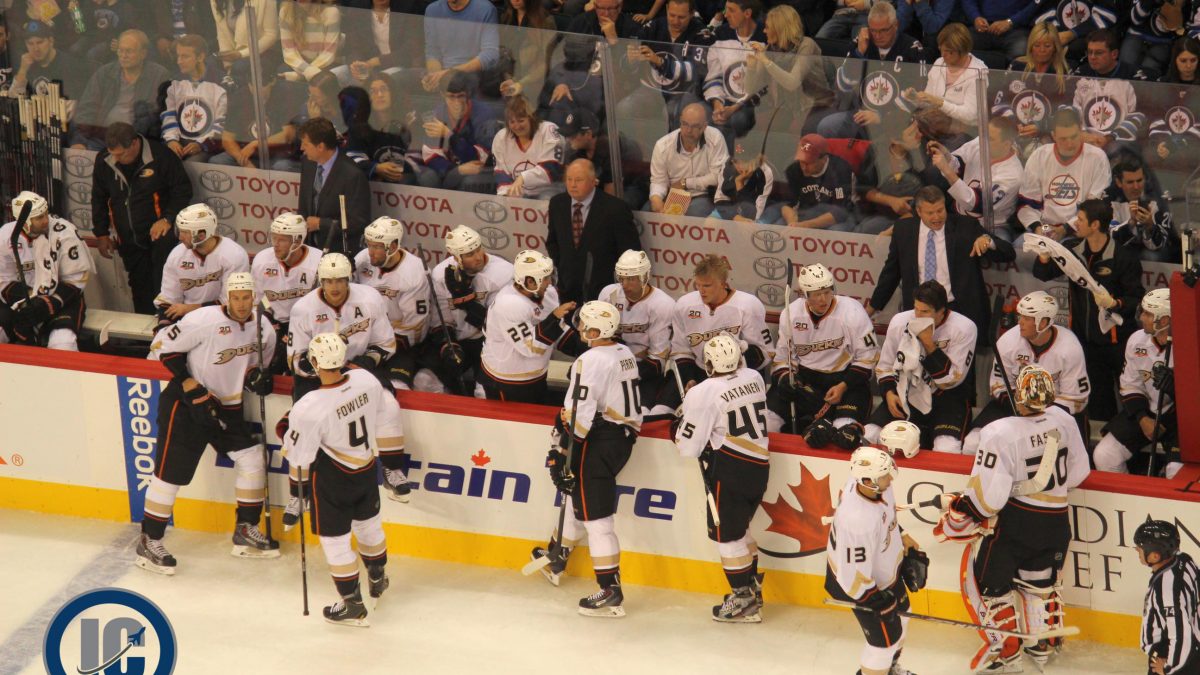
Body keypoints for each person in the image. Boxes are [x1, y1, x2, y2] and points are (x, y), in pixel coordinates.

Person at [936, 365, 1090, 672]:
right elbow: (1078, 473)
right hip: (1057, 522)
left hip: (1017, 523)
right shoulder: (1064, 419)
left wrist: (961, 508)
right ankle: (1040, 645)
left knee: (988, 586)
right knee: (1037, 585)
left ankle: (1006, 652)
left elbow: (988, 499)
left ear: (1018, 395)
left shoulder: (999, 431)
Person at [135, 273, 279, 575]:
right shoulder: (203, 320)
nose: (241, 304)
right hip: (187, 406)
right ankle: (150, 541)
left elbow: (257, 365)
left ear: (254, 297)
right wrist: (188, 382)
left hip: (228, 408)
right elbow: (164, 347)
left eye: (246, 297)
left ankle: (245, 529)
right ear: (227, 297)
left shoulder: (263, 327)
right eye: (236, 298)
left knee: (252, 458)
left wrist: (258, 378)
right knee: (169, 476)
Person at [281, 332, 404, 626]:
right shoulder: (366, 380)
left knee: (335, 542)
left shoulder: (309, 406)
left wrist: (285, 427)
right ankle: (378, 576)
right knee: (369, 527)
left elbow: (299, 457)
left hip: (332, 479)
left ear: (314, 362)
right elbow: (380, 414)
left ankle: (352, 604)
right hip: (365, 469)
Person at [531, 301, 642, 617]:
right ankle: (558, 555)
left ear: (597, 330)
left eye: (584, 324)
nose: (580, 328)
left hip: (599, 441)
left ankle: (610, 590)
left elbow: (578, 415)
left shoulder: (590, 359)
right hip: (621, 438)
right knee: (578, 496)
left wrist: (563, 451)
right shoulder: (623, 352)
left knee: (597, 519)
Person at [284, 252, 400, 526]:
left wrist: (364, 363)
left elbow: (386, 344)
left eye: (339, 280)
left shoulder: (370, 299)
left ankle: (393, 470)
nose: (334, 287)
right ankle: (298, 495)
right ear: (321, 281)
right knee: (301, 427)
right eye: (328, 281)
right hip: (316, 376)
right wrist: (324, 368)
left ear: (348, 279)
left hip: (358, 371)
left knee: (389, 405)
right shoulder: (303, 309)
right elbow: (294, 359)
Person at [673, 334, 769, 622]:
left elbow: (687, 446)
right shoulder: (754, 377)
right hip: (759, 467)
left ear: (709, 364)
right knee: (741, 530)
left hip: (730, 469)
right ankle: (752, 589)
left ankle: (742, 599)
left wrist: (679, 423)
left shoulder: (703, 392)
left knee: (727, 536)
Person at [1032, 199, 1145, 422]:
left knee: (1131, 400)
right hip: (1086, 343)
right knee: (1099, 405)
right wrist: (1044, 256)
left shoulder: (1123, 256)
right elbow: (1043, 274)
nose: (1076, 223)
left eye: (1081, 219)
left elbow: (1137, 299)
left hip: (1118, 343)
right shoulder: (1072, 250)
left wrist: (1115, 303)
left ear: (1095, 225)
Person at [867, 186, 1016, 342]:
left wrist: (988, 241)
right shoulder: (904, 230)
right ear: (919, 211)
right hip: (920, 312)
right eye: (930, 213)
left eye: (940, 210)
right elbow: (890, 274)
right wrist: (870, 310)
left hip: (959, 311)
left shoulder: (966, 227)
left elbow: (1008, 253)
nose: (937, 217)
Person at [824, 443, 925, 675]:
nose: (890, 478)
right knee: (883, 644)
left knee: (902, 619)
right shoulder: (857, 521)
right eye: (884, 475)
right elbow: (852, 576)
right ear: (867, 481)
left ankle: (889, 669)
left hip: (884, 574)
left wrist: (901, 535)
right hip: (862, 588)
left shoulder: (874, 486)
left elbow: (886, 514)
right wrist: (875, 601)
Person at [963, 291, 1089, 455]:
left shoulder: (1069, 348)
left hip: (1056, 412)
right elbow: (999, 386)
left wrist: (1036, 410)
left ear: (1043, 322)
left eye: (1027, 318)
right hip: (1015, 406)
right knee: (972, 442)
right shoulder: (1008, 341)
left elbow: (1076, 400)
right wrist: (1022, 406)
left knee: (1065, 454)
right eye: (1020, 316)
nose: (1020, 322)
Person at [768, 263, 878, 447]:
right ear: (804, 294)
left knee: (844, 433)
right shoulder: (790, 314)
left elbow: (868, 359)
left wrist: (843, 386)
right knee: (768, 423)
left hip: (845, 380)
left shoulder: (852, 312)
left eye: (827, 292)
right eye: (817, 294)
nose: (823, 299)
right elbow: (782, 359)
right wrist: (786, 378)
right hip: (805, 379)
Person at [90, 122, 193, 315]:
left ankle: (165, 325)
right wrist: (101, 233)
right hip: (128, 238)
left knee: (164, 285)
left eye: (121, 154)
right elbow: (98, 197)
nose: (116, 159)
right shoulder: (104, 160)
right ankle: (142, 331)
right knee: (139, 288)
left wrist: (168, 219)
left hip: (160, 237)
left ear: (134, 143)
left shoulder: (161, 156)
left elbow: (182, 190)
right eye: (113, 154)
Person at [866, 280, 976, 454]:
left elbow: (950, 381)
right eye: (916, 309)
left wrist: (928, 343)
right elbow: (885, 366)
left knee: (946, 448)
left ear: (941, 312)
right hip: (905, 393)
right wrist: (889, 393)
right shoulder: (900, 321)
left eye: (925, 312)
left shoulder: (964, 328)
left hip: (947, 399)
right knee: (870, 434)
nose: (917, 316)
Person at [1094, 289, 1180, 477]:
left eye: (1148, 314)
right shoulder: (1136, 340)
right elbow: (1130, 385)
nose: (1141, 317)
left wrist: (1176, 389)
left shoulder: (1191, 345)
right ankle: (1124, 496)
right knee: (1105, 455)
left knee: (1176, 472)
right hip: (1146, 411)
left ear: (1164, 320)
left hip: (1180, 419)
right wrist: (1142, 418)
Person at [478, 249, 579, 403]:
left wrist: (583, 347)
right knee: (511, 419)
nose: (549, 283)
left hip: (536, 376)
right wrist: (554, 317)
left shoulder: (548, 293)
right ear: (530, 282)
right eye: (545, 278)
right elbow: (532, 348)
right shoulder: (509, 304)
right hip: (507, 382)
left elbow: (556, 330)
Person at [669, 255, 771, 405]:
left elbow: (764, 354)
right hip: (700, 373)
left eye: (707, 286)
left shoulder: (748, 305)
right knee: (662, 410)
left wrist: (728, 371)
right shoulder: (684, 306)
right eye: (698, 285)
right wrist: (690, 378)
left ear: (723, 284)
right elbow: (681, 351)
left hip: (738, 376)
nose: (701, 291)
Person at [0, 191, 93, 351]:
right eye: (39, 217)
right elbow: (3, 279)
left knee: (63, 344)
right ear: (25, 221)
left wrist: (48, 303)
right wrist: (30, 299)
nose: (45, 221)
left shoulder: (64, 232)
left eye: (45, 214)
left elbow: (77, 278)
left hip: (61, 300)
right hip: (22, 300)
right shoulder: (5, 237)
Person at [821, 3, 928, 141]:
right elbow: (843, 86)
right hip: (861, 115)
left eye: (883, 30)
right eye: (873, 30)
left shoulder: (912, 48)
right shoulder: (861, 43)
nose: (877, 36)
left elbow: (917, 93)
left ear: (896, 25)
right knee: (826, 126)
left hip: (896, 119)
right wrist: (859, 53)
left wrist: (881, 115)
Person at [428, 224, 514, 395]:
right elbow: (441, 320)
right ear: (455, 256)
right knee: (425, 381)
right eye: (469, 254)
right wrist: (449, 345)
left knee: (483, 394)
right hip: (459, 340)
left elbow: (495, 325)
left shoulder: (504, 272)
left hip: (491, 342)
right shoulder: (440, 274)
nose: (478, 257)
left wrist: (466, 299)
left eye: (478, 249)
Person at [352, 216, 433, 392]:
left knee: (397, 387)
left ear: (394, 246)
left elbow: (414, 329)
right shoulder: (363, 259)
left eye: (377, 247)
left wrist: (377, 351)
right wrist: (346, 274)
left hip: (400, 343)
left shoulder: (414, 274)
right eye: (369, 245)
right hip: (364, 333)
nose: (370, 252)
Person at [547, 159, 642, 304]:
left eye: (578, 180)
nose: (572, 185)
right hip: (568, 289)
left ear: (594, 181)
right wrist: (564, 266)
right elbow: (553, 241)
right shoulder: (557, 203)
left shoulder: (615, 208)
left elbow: (629, 251)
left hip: (604, 290)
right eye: (569, 179)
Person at [597, 249, 675, 416]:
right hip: (612, 366)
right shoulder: (609, 294)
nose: (624, 285)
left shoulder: (663, 305)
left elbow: (657, 361)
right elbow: (599, 339)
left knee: (642, 414)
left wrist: (624, 374)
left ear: (644, 277)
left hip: (645, 374)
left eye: (631, 279)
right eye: (621, 278)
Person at [1016, 107, 1112, 241]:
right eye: (1063, 139)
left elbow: (1095, 207)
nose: (1070, 144)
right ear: (1053, 135)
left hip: (1080, 233)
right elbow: (1027, 203)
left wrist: (1064, 229)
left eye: (1074, 137)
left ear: (1081, 130)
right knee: (1019, 247)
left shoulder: (1097, 158)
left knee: (1066, 250)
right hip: (1046, 229)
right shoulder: (1039, 156)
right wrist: (1038, 228)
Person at [152, 203, 250, 330]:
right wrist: (163, 327)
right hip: (188, 320)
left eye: (185, 232)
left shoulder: (234, 255)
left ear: (202, 234)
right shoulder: (177, 255)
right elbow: (169, 300)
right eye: (180, 231)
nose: (180, 237)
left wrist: (189, 309)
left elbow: (232, 304)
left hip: (224, 322)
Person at [69, 29, 170, 150]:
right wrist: (79, 141)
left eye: (129, 51)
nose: (123, 56)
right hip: (101, 138)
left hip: (136, 141)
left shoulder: (158, 75)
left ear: (143, 54)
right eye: (120, 50)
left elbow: (156, 116)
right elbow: (87, 109)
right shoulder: (104, 73)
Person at [743, 5, 834, 135]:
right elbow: (751, 90)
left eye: (767, 27)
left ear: (779, 29)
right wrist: (751, 67)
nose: (764, 31)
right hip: (791, 108)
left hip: (817, 105)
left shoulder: (806, 45)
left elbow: (792, 83)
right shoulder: (771, 49)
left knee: (797, 129)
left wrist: (766, 61)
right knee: (754, 123)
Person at [928, 115, 1023, 236]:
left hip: (991, 227)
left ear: (1006, 144)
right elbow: (959, 164)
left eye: (990, 139)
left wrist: (947, 170)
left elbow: (975, 204)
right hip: (959, 217)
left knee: (995, 245)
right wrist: (946, 155)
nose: (983, 141)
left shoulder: (1013, 175)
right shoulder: (979, 142)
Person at [250, 213, 320, 374]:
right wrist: (268, 318)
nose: (275, 244)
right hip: (275, 321)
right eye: (274, 238)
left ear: (297, 241)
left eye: (282, 240)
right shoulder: (262, 261)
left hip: (307, 324)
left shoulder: (318, 263)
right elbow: (258, 300)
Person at [416, 71, 502, 193]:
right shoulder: (438, 114)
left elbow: (481, 159)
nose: (457, 103)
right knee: (428, 178)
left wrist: (449, 136)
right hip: (456, 168)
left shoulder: (484, 115)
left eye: (460, 96)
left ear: (468, 95)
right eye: (451, 97)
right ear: (443, 95)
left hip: (485, 171)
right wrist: (455, 170)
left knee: (469, 182)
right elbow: (431, 155)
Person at [297, 116, 371, 255]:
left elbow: (358, 222)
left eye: (305, 144)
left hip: (338, 252)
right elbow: (304, 205)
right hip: (310, 249)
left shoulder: (353, 175)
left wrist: (321, 224)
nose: (301, 148)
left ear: (320, 146)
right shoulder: (308, 163)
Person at [1135, 518, 1200, 675]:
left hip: (1169, 653)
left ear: (1155, 556)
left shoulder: (1166, 589)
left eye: (1140, 548)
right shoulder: (1185, 560)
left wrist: (1169, 667)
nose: (1137, 550)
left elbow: (1180, 633)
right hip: (1192, 648)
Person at [702, 0, 766, 149]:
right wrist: (718, 104)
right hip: (723, 101)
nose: (726, 15)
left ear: (747, 13)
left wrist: (735, 108)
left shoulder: (765, 35)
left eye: (731, 10)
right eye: (726, 10)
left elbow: (763, 85)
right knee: (698, 113)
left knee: (737, 120)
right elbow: (714, 75)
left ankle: (730, 159)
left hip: (752, 105)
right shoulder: (721, 34)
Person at [1070, 29, 1145, 155]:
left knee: (1117, 152)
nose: (1092, 57)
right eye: (1090, 52)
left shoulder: (1133, 75)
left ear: (1114, 54)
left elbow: (1139, 115)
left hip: (1119, 142)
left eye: (1099, 53)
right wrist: (1080, 133)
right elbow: (1069, 109)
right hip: (1084, 139)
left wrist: (1109, 138)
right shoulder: (1081, 73)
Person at [648, 102, 728, 217]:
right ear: (680, 122)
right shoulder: (662, 146)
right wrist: (656, 198)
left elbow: (718, 177)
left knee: (691, 215)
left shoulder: (715, 138)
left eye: (694, 126)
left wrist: (685, 183)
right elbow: (658, 181)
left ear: (704, 127)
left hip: (702, 194)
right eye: (685, 124)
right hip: (671, 194)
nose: (688, 130)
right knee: (649, 212)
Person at [160, 35, 227, 163]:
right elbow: (169, 115)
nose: (179, 61)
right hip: (179, 141)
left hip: (208, 145)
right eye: (178, 56)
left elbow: (222, 122)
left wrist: (201, 144)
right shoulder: (174, 82)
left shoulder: (221, 82)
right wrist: (171, 140)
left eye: (185, 56)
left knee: (191, 164)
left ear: (200, 57)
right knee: (162, 161)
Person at [780, 133, 859, 232]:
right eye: (801, 161)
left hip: (839, 217)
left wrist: (805, 225)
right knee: (779, 226)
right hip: (807, 213)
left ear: (824, 159)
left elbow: (841, 212)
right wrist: (792, 224)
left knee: (836, 231)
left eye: (809, 163)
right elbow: (788, 205)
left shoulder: (840, 170)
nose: (803, 167)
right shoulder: (793, 170)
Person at [914, 23, 986, 129]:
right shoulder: (939, 63)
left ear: (963, 51)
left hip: (964, 130)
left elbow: (970, 116)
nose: (943, 55)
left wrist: (941, 104)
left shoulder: (978, 73)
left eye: (949, 52)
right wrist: (915, 98)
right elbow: (928, 101)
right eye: (941, 49)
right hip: (936, 125)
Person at [492, 95, 565, 199]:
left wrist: (523, 178)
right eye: (512, 122)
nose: (517, 126)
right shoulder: (501, 138)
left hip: (549, 190)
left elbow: (551, 169)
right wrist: (506, 193)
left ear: (531, 118)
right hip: (520, 194)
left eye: (521, 120)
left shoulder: (549, 130)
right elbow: (501, 172)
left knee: (546, 197)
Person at [422, 0, 500, 93]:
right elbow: (432, 51)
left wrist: (449, 74)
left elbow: (490, 54)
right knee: (407, 77)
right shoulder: (432, 10)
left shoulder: (485, 9)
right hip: (444, 76)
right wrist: (434, 77)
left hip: (473, 76)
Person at [1107, 158, 1176, 262]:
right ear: (1118, 182)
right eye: (1130, 182)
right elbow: (1110, 242)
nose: (1136, 187)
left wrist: (1150, 226)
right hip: (1120, 262)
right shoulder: (1110, 203)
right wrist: (1131, 223)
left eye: (1139, 180)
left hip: (1155, 264)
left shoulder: (1157, 203)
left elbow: (1163, 245)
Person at [211, 0, 281, 87]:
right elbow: (223, 35)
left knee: (239, 67)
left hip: (266, 50)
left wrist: (241, 54)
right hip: (236, 52)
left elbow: (271, 35)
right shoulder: (216, 2)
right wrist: (227, 64)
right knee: (210, 64)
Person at [1123, 0, 1198, 80]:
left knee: (1147, 76)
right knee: (1124, 71)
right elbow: (1135, 20)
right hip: (1136, 35)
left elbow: (1184, 27)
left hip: (1163, 42)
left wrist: (1177, 9)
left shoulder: (1187, 4)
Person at [278, 0, 342, 82]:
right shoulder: (285, 12)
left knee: (323, 81)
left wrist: (301, 76)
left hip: (324, 65)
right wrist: (308, 71)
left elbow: (329, 54)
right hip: (298, 65)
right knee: (282, 73)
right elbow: (289, 52)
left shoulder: (331, 13)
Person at [961, 0, 1041, 61]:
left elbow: (1035, 4)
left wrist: (1011, 22)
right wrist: (975, 17)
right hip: (984, 26)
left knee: (1020, 54)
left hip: (1017, 28)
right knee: (959, 44)